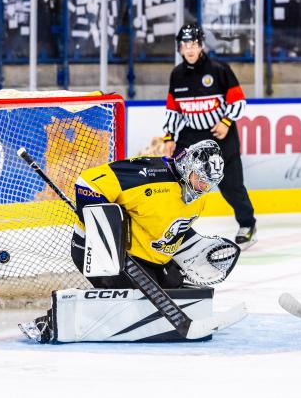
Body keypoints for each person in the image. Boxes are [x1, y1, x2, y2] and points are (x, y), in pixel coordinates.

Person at [21, 140, 240, 343]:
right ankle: (51, 323)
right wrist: (104, 228)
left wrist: (196, 245)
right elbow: (87, 183)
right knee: (132, 301)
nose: (203, 186)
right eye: (200, 178)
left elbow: (166, 226)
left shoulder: (196, 194)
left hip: (146, 258)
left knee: (173, 289)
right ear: (187, 165)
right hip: (100, 251)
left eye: (209, 183)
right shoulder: (148, 174)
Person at [162, 24, 257, 246]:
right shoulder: (177, 75)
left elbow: (238, 101)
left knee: (231, 184)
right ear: (180, 48)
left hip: (221, 134)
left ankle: (247, 223)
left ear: (201, 45)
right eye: (185, 45)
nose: (190, 49)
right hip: (191, 133)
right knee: (176, 178)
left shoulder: (219, 69)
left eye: (194, 44)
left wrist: (225, 122)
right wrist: (169, 136)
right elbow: (173, 109)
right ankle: (173, 226)